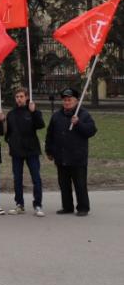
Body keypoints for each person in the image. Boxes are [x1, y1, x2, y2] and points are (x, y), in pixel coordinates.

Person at [45, 87, 97, 217]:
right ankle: (67, 207)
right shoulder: (56, 116)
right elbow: (49, 135)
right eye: (65, 100)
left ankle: (83, 207)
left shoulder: (83, 114)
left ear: (76, 101)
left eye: (69, 100)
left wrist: (78, 123)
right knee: (64, 184)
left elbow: (91, 131)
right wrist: (49, 151)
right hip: (61, 156)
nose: (67, 102)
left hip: (77, 157)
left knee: (80, 184)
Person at [4, 88, 46, 216]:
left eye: (21, 96)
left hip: (31, 150)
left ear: (27, 97)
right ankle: (19, 204)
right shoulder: (11, 114)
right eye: (17, 97)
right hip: (16, 151)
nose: (19, 99)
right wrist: (9, 139)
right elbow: (6, 133)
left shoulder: (32, 111)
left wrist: (34, 112)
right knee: (17, 178)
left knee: (36, 178)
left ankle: (38, 205)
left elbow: (40, 125)